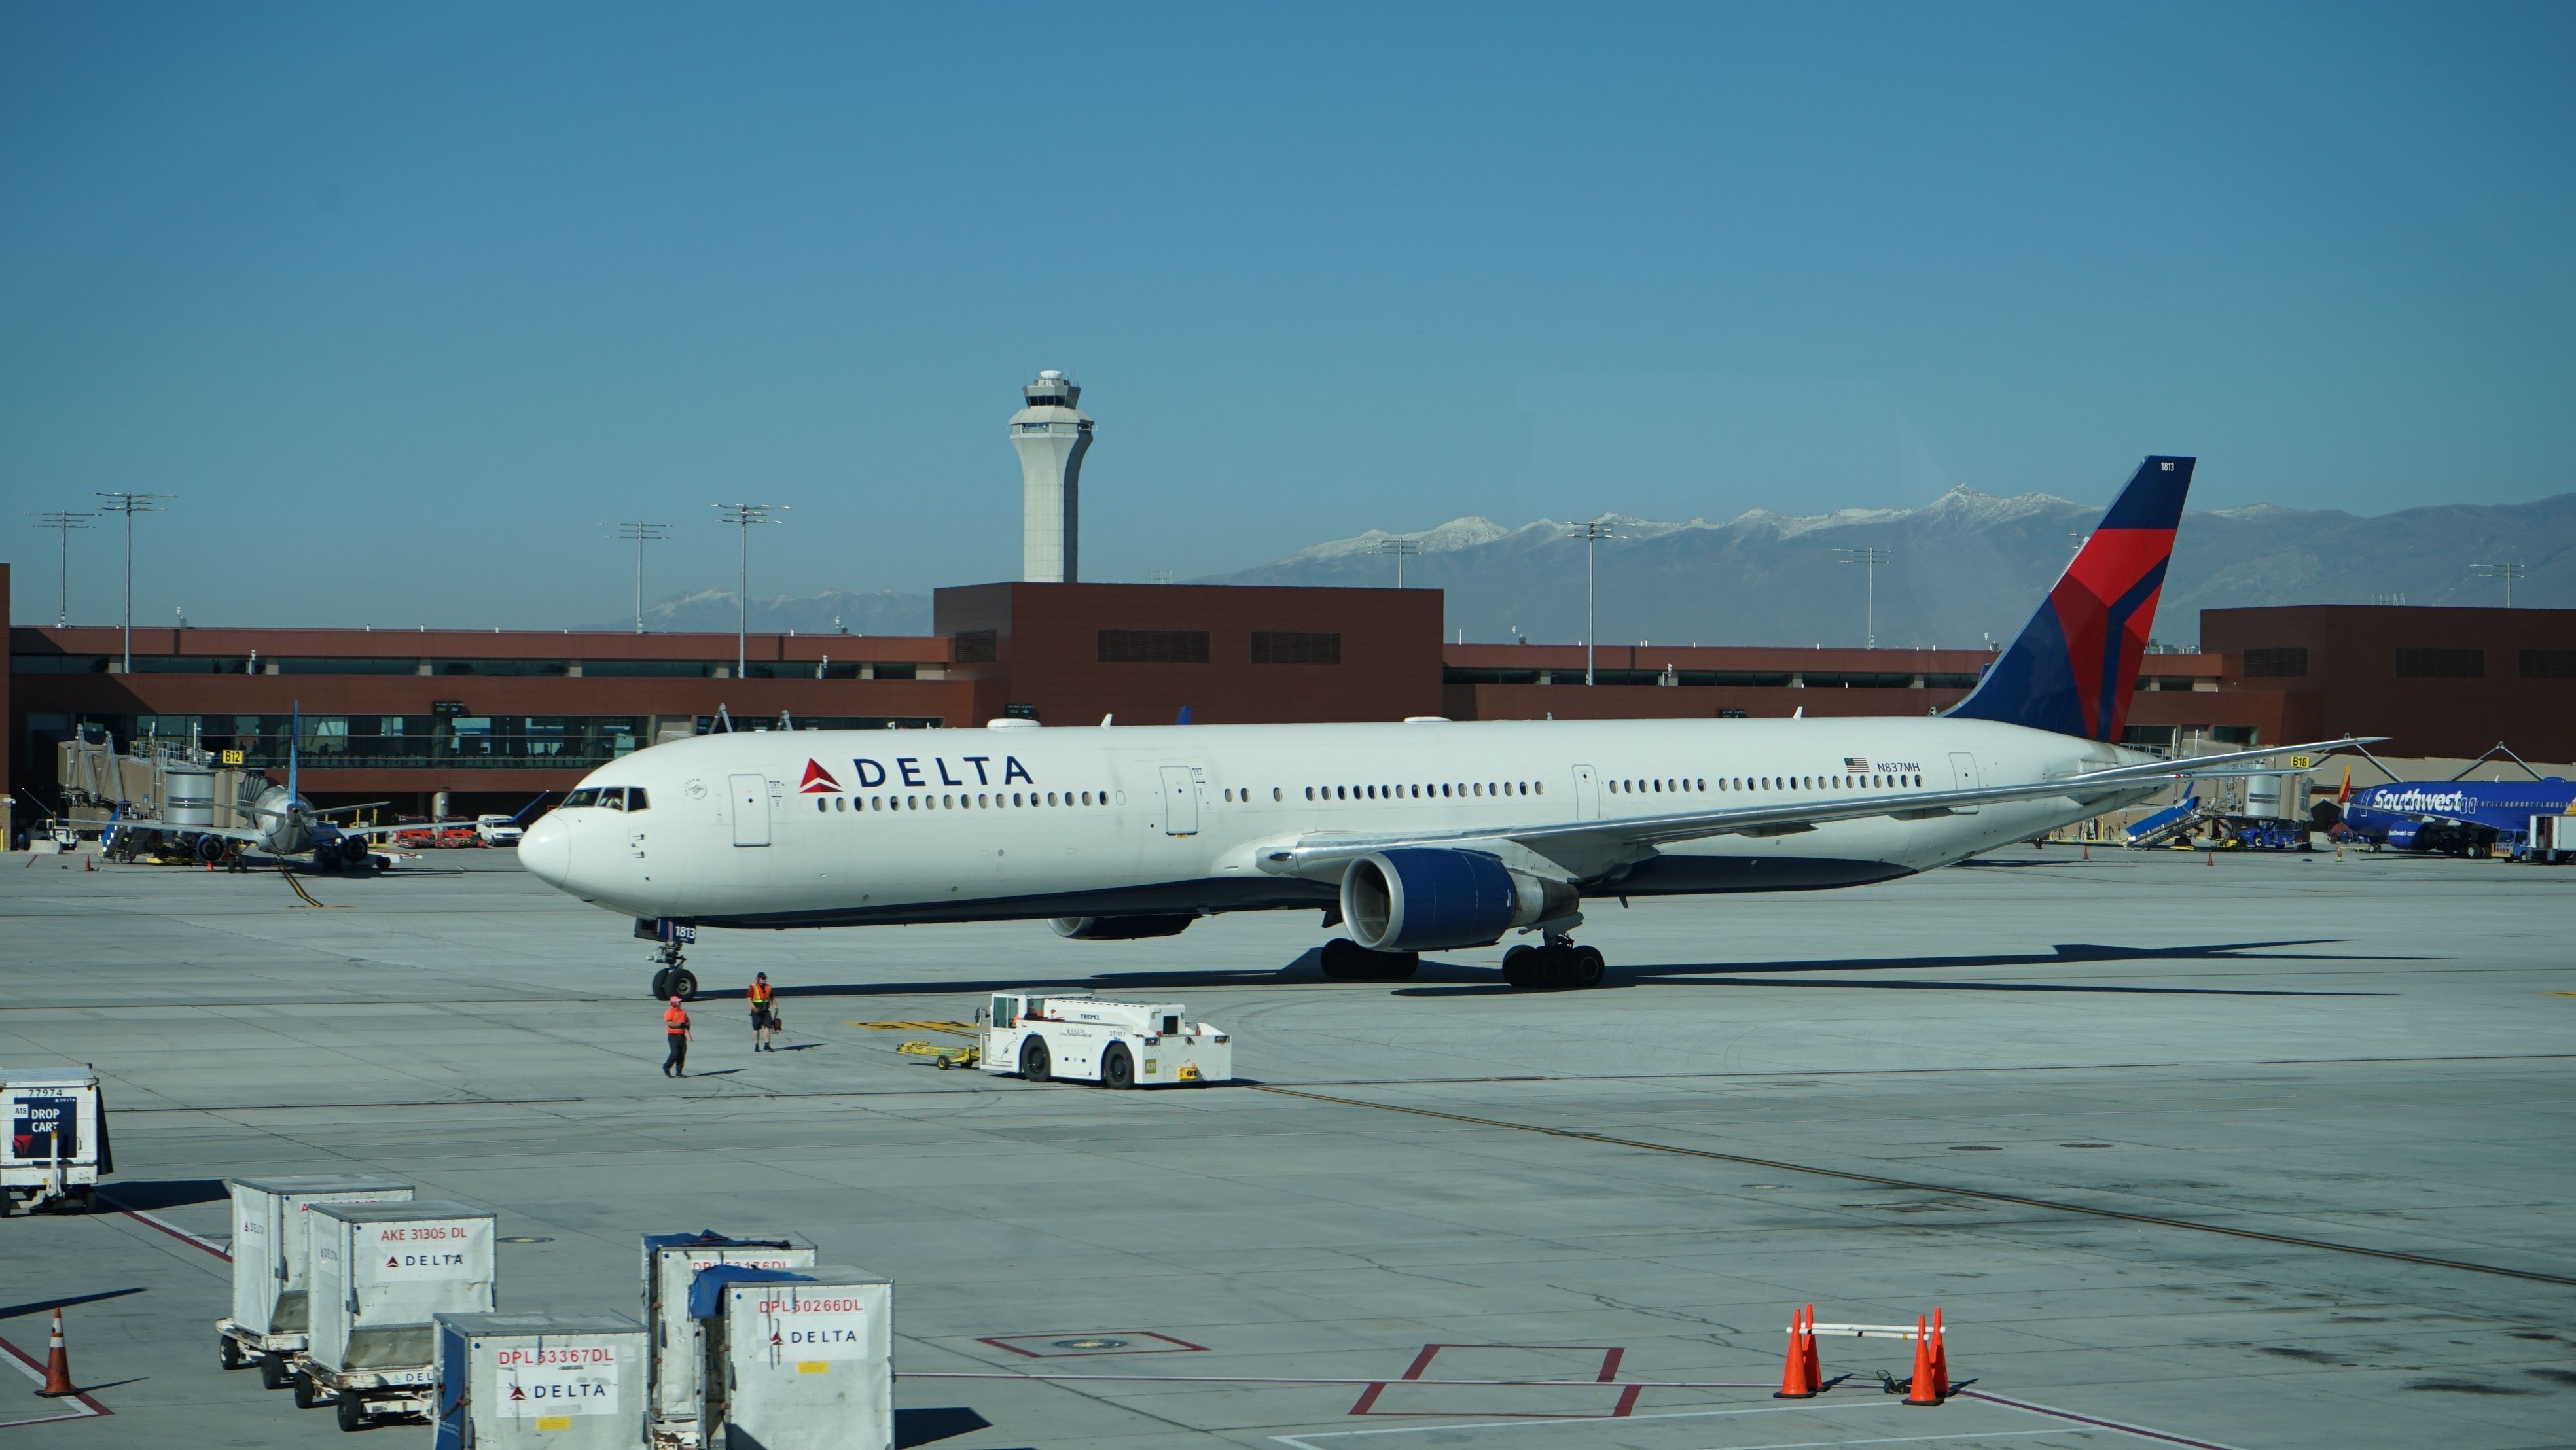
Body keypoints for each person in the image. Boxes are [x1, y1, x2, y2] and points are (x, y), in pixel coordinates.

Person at [662, 996, 694, 1077]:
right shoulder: (669, 1012)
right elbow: (669, 1023)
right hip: (673, 1036)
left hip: (682, 1036)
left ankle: (679, 1072)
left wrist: (687, 1024)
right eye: (678, 1002)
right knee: (675, 1053)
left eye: (680, 1002)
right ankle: (666, 1067)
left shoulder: (683, 1012)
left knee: (682, 1054)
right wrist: (680, 1025)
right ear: (673, 1003)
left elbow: (688, 1021)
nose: (680, 1003)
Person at [748, 972, 778, 1053]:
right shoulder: (753, 987)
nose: (764, 979)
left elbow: (772, 997)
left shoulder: (769, 987)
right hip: (757, 1011)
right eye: (763, 978)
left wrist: (776, 1007)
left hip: (766, 1011)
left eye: (765, 978)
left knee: (768, 1026)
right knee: (756, 1028)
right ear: (758, 979)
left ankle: (767, 1044)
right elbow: (749, 998)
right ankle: (757, 1045)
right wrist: (753, 1007)